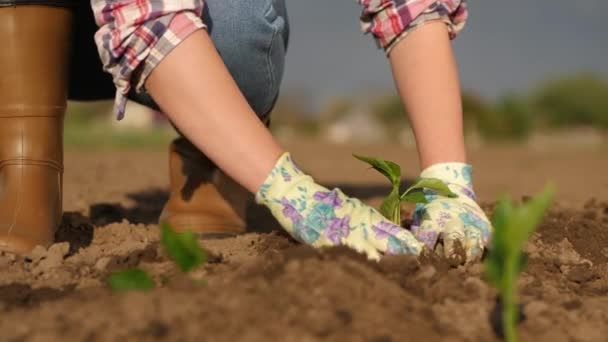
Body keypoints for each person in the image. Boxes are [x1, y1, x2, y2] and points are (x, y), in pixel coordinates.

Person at [0, 0, 491, 263]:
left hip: (184, 23)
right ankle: (27, 177)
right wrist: (295, 195)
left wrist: (447, 179)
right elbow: (146, 18)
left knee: (237, 24)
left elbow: (408, 4)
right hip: (62, 33)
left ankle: (213, 169)